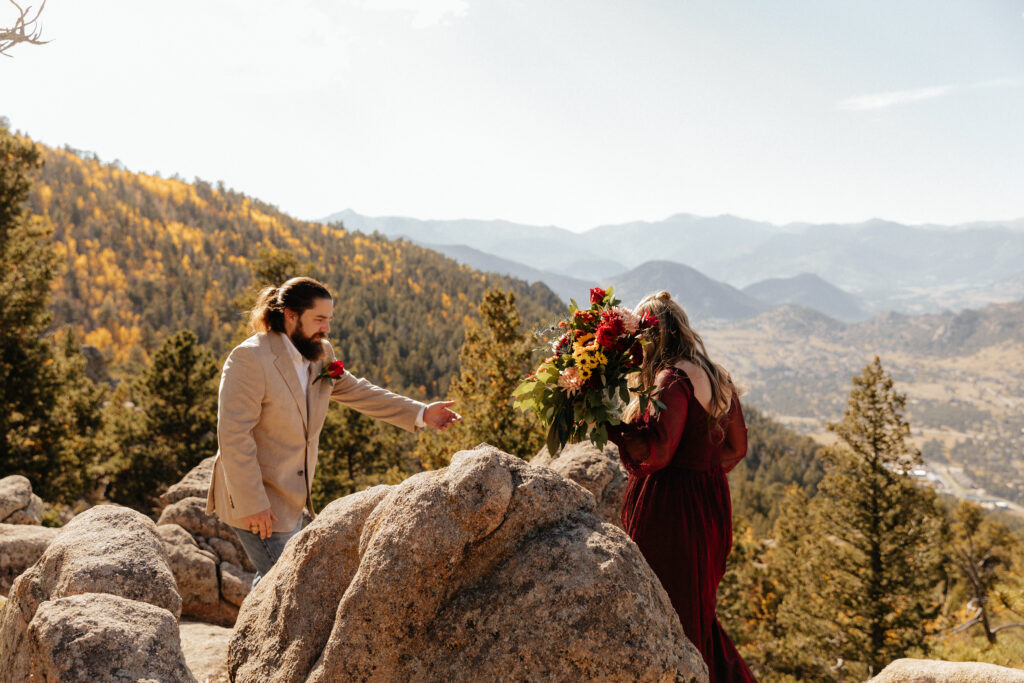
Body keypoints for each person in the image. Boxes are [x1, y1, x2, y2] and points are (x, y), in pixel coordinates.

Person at [206, 277, 460, 583]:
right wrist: (254, 504)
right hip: (257, 498)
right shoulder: (250, 358)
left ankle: (248, 632)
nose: (326, 328)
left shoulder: (320, 351)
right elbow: (234, 436)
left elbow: (359, 391)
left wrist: (421, 412)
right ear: (290, 315)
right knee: (284, 581)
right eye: (319, 319)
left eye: (329, 319)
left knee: (274, 578)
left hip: (293, 495)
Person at [608, 291, 755, 683]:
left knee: (671, 610)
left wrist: (611, 426)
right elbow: (736, 447)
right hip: (709, 507)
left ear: (650, 336)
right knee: (697, 611)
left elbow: (657, 452)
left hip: (672, 513)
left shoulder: (670, 378)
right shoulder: (716, 374)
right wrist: (703, 472)